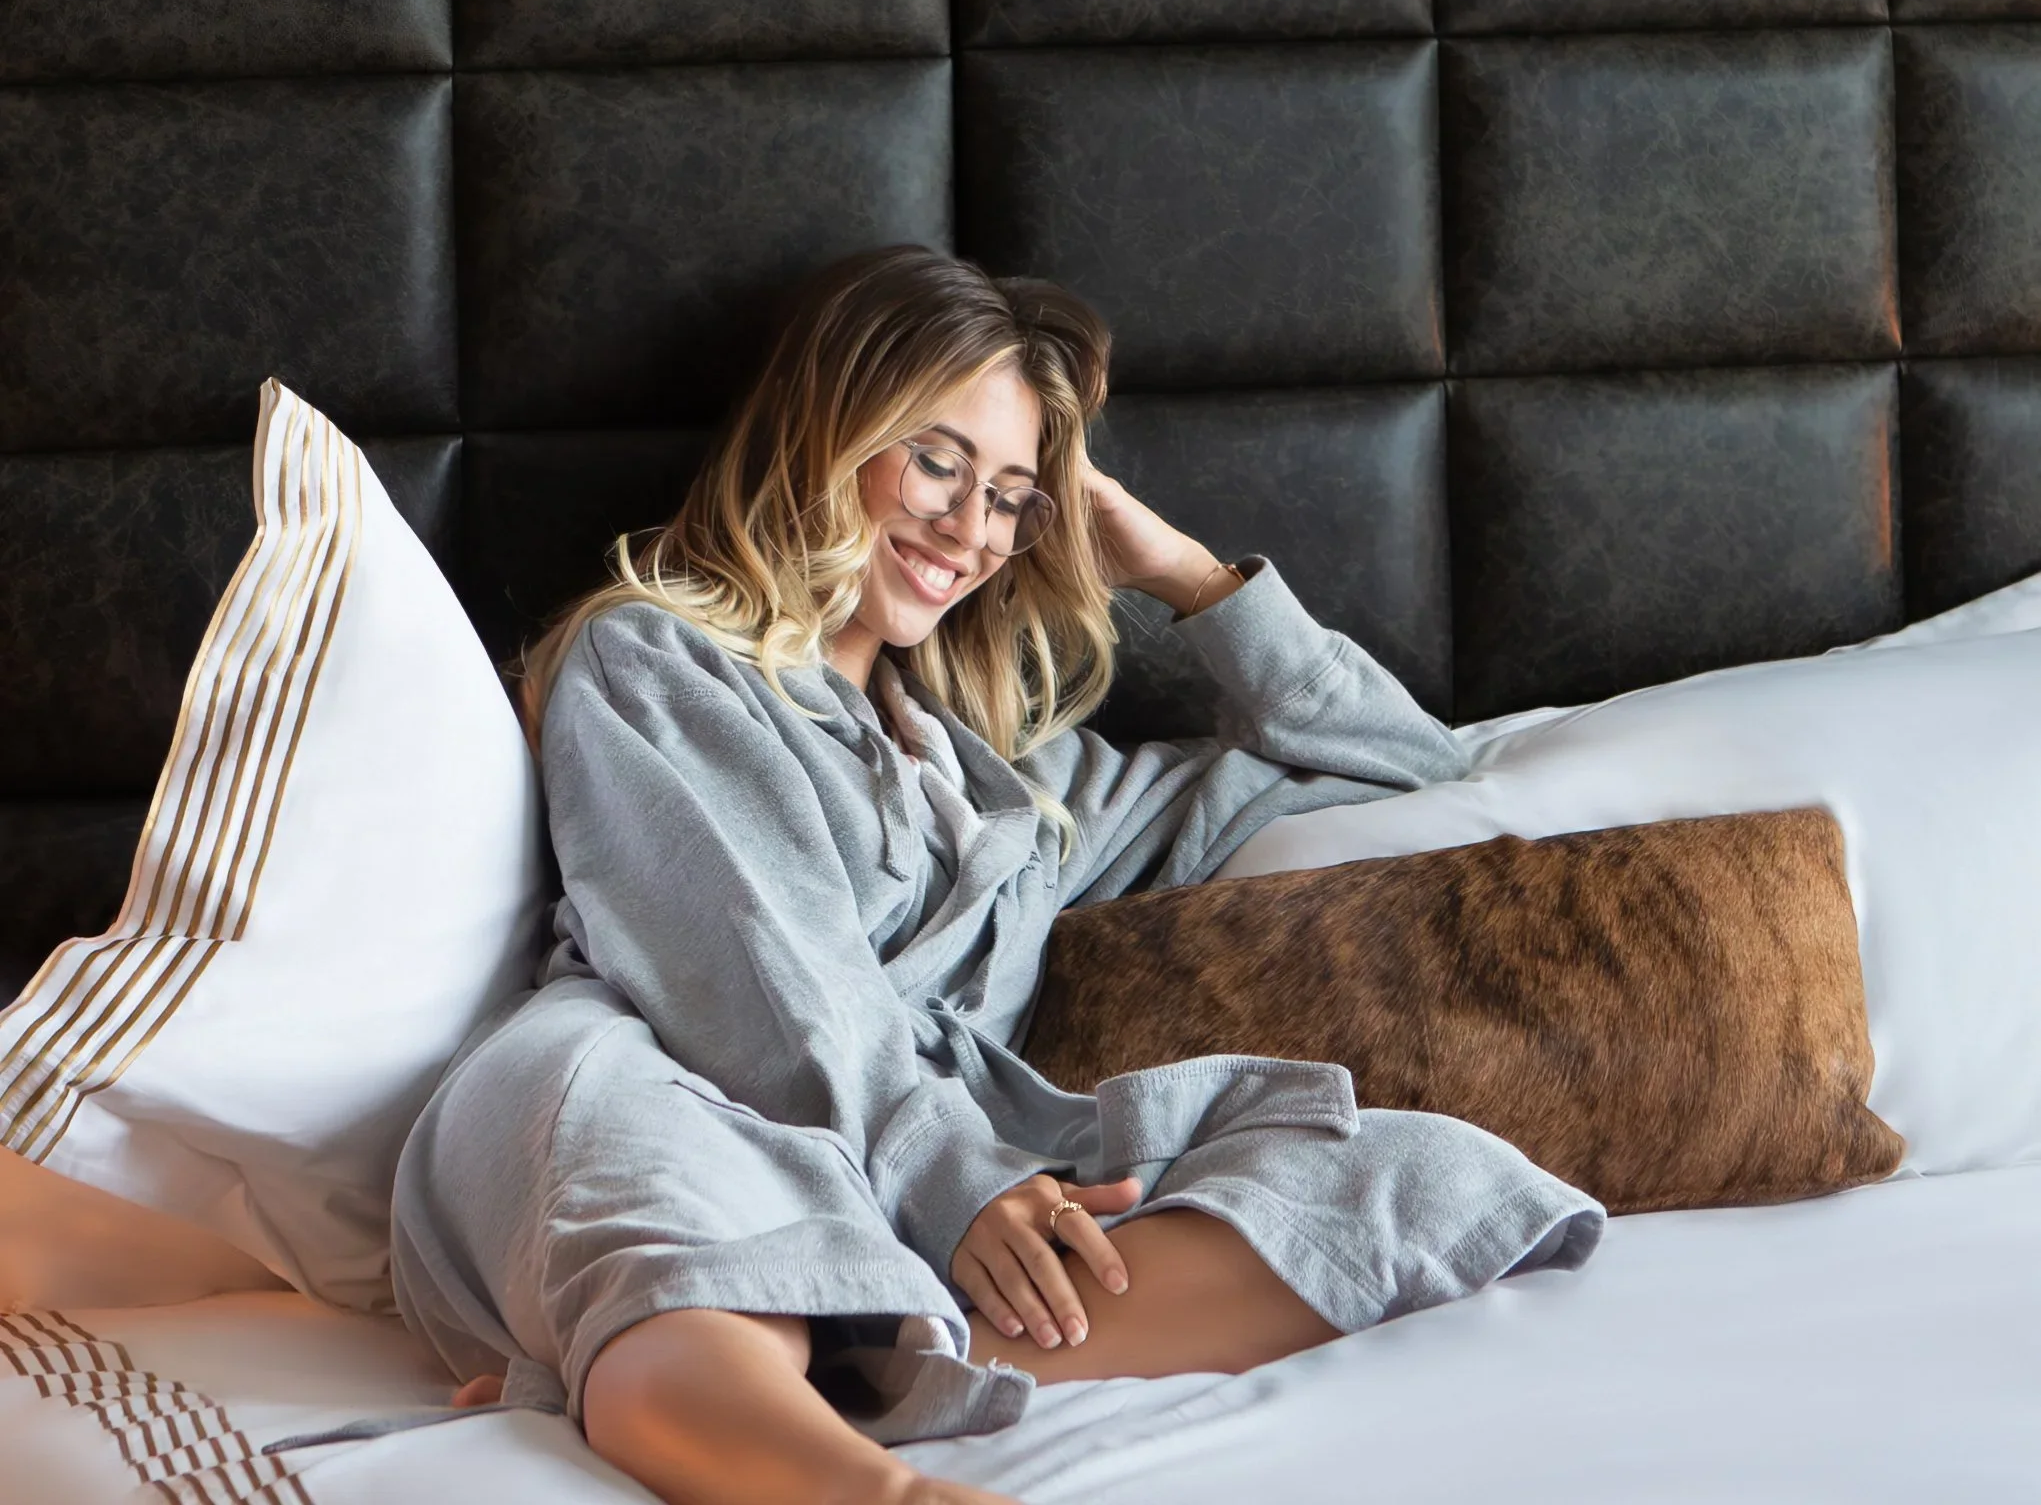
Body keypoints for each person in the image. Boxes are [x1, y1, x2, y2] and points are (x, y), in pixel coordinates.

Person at [392, 247, 1600, 1505]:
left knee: (1417, 1177)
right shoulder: (651, 659)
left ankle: (794, 1362)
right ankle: (852, 1471)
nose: (970, 532)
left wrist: (1181, 571)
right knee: (668, 1182)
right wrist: (951, 1178)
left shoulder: (1022, 792)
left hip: (945, 1171)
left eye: (1016, 497)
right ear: (824, 431)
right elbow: (760, 959)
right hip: (676, 1081)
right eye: (936, 461)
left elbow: (1415, 773)